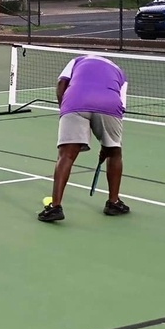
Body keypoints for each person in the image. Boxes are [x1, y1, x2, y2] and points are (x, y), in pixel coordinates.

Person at [38, 53, 129, 223]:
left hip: (75, 101)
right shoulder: (120, 72)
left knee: (66, 155)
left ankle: (55, 207)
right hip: (109, 103)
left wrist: (64, 110)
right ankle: (113, 203)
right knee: (115, 153)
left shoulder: (77, 60)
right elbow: (121, 105)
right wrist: (107, 149)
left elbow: (61, 83)